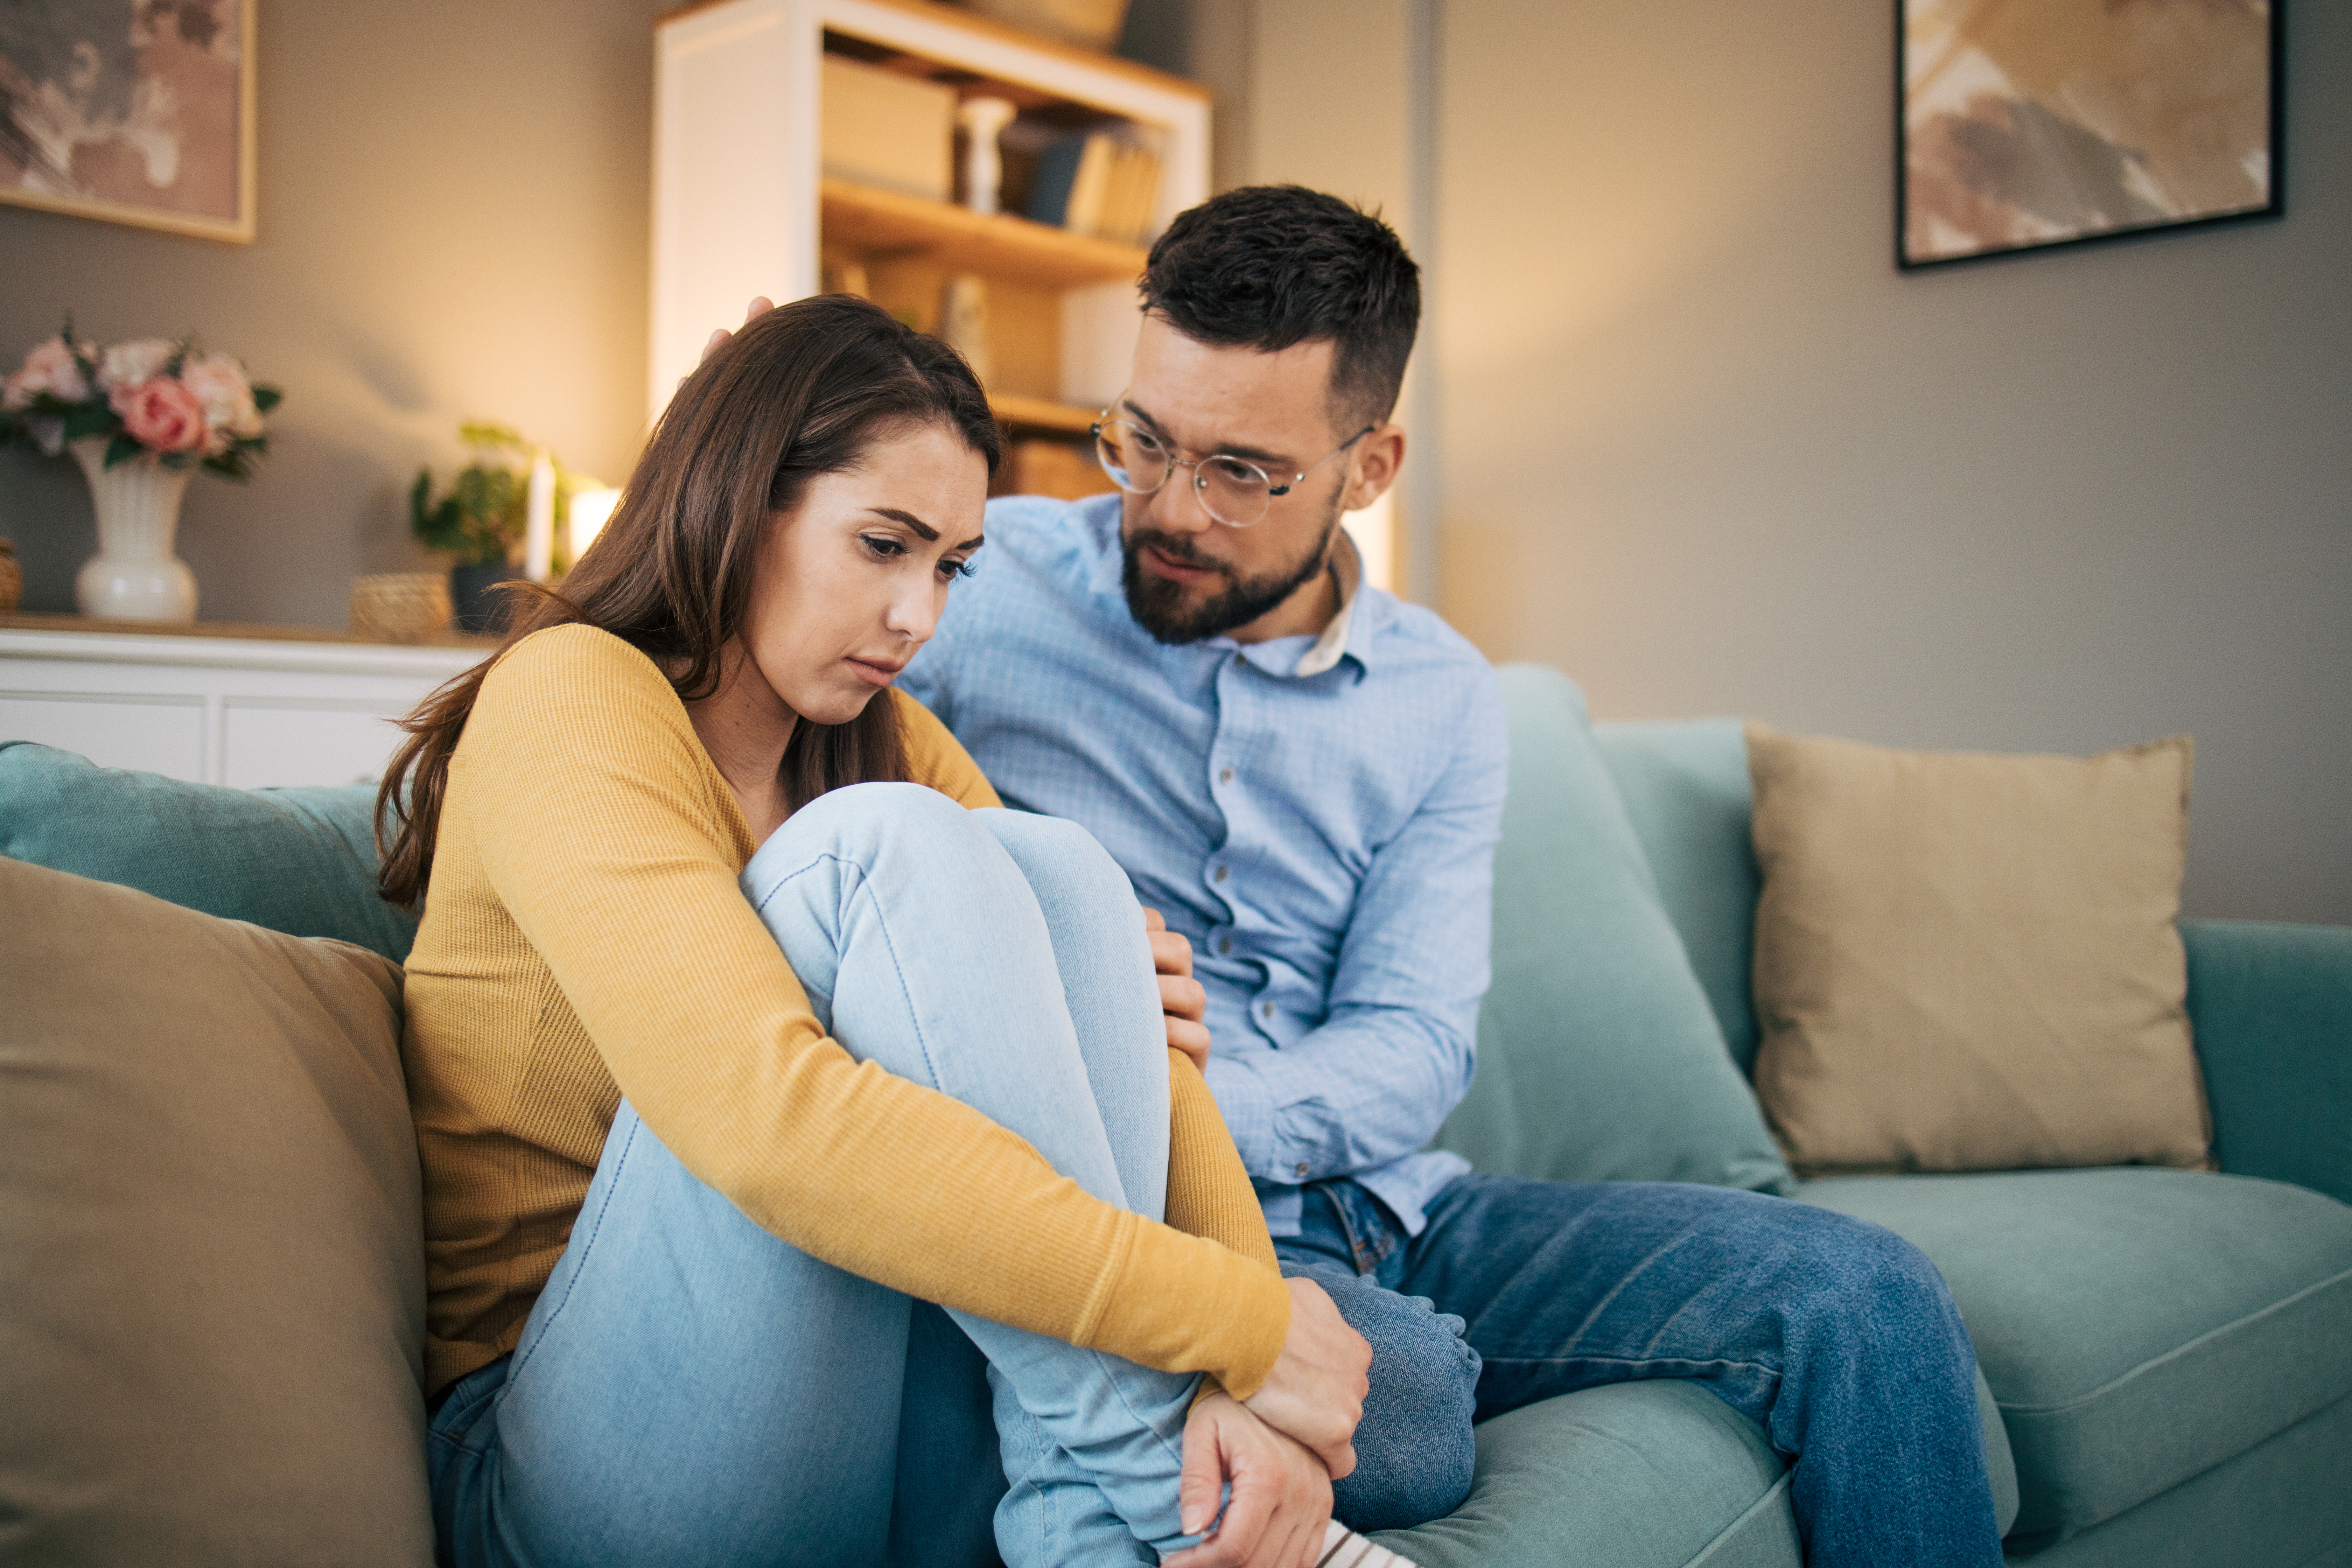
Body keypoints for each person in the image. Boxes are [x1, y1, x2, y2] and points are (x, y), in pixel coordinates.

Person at [893, 186, 2010, 1566]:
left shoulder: (1441, 697)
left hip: (1406, 1205)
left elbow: (1413, 1043)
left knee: (1863, 1289)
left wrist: (1211, 1107)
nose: (1169, 509)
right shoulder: (980, 585)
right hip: (1169, 1219)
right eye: (1144, 442)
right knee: (1407, 1414)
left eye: (1243, 471)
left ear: (1369, 468)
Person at [381, 294, 1410, 1568]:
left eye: (950, 567)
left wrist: (1260, 1392)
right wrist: (1235, 1324)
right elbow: (768, 1120)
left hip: (851, 1425)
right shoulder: (573, 692)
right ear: (736, 498)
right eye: (883, 546)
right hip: (565, 1457)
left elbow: (1144, 1040)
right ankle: (1161, 1504)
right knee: (891, 847)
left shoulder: (888, 736)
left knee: (1063, 869)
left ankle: (1122, 1529)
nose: (920, 616)